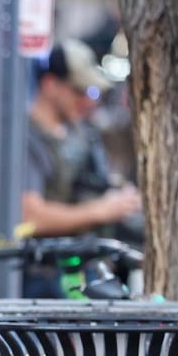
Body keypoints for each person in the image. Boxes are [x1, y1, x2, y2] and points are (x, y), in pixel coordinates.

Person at [22, 39, 143, 298]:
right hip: (45, 279)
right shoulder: (25, 139)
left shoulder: (82, 132)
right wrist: (101, 210)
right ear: (51, 85)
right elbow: (31, 217)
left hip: (88, 269)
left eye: (93, 93)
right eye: (80, 91)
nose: (88, 102)